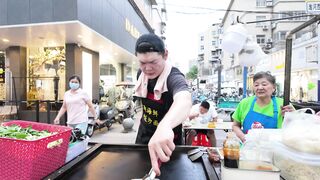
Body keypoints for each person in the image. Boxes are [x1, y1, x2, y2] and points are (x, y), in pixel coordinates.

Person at [133, 33, 192, 176]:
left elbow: (184, 99)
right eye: (142, 63)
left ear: (165, 55)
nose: (147, 69)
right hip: (143, 138)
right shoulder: (141, 75)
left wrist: (164, 126)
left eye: (153, 62)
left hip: (168, 143)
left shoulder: (174, 76)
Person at [232, 71, 294, 142]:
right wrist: (244, 138)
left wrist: (293, 115)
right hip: (248, 148)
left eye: (264, 84)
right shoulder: (245, 103)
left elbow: (294, 128)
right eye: (256, 85)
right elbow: (235, 125)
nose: (260, 87)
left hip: (274, 149)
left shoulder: (283, 104)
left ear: (273, 87)